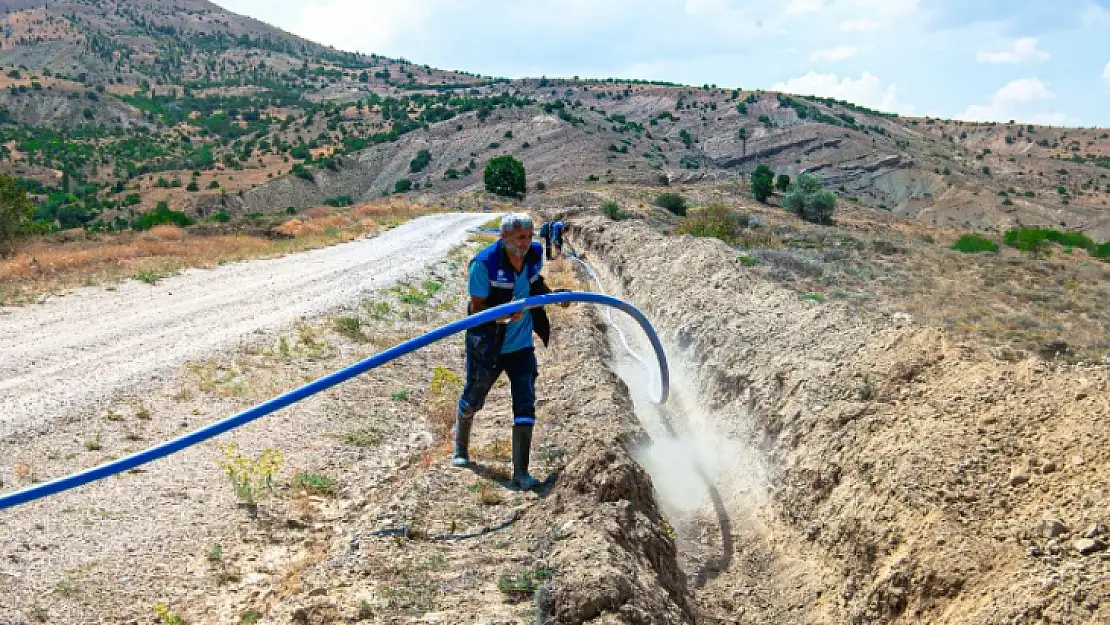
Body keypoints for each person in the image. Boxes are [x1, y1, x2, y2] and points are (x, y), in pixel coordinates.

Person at [453, 212, 568, 490]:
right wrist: (504, 316)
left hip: (520, 346)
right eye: (520, 237)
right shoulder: (484, 264)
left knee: (525, 400)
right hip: (489, 344)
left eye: (528, 237)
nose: (526, 243)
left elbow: (533, 282)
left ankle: (521, 473)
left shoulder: (534, 254)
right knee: (474, 396)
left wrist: (554, 295)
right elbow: (477, 308)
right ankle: (461, 450)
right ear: (504, 237)